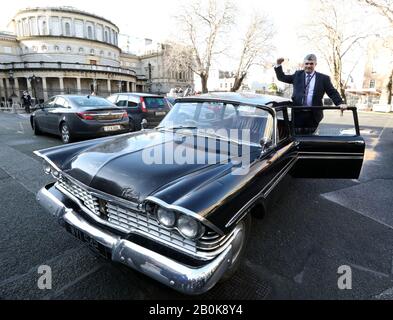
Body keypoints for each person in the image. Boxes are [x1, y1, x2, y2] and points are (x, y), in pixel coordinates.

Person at [274, 54, 347, 134]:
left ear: (315, 64)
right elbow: (282, 77)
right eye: (307, 63)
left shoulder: (323, 78)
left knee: (311, 139)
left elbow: (332, 92)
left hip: (313, 115)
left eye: (311, 63)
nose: (308, 66)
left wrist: (340, 103)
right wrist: (278, 64)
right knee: (296, 138)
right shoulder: (297, 75)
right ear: (303, 64)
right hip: (298, 113)